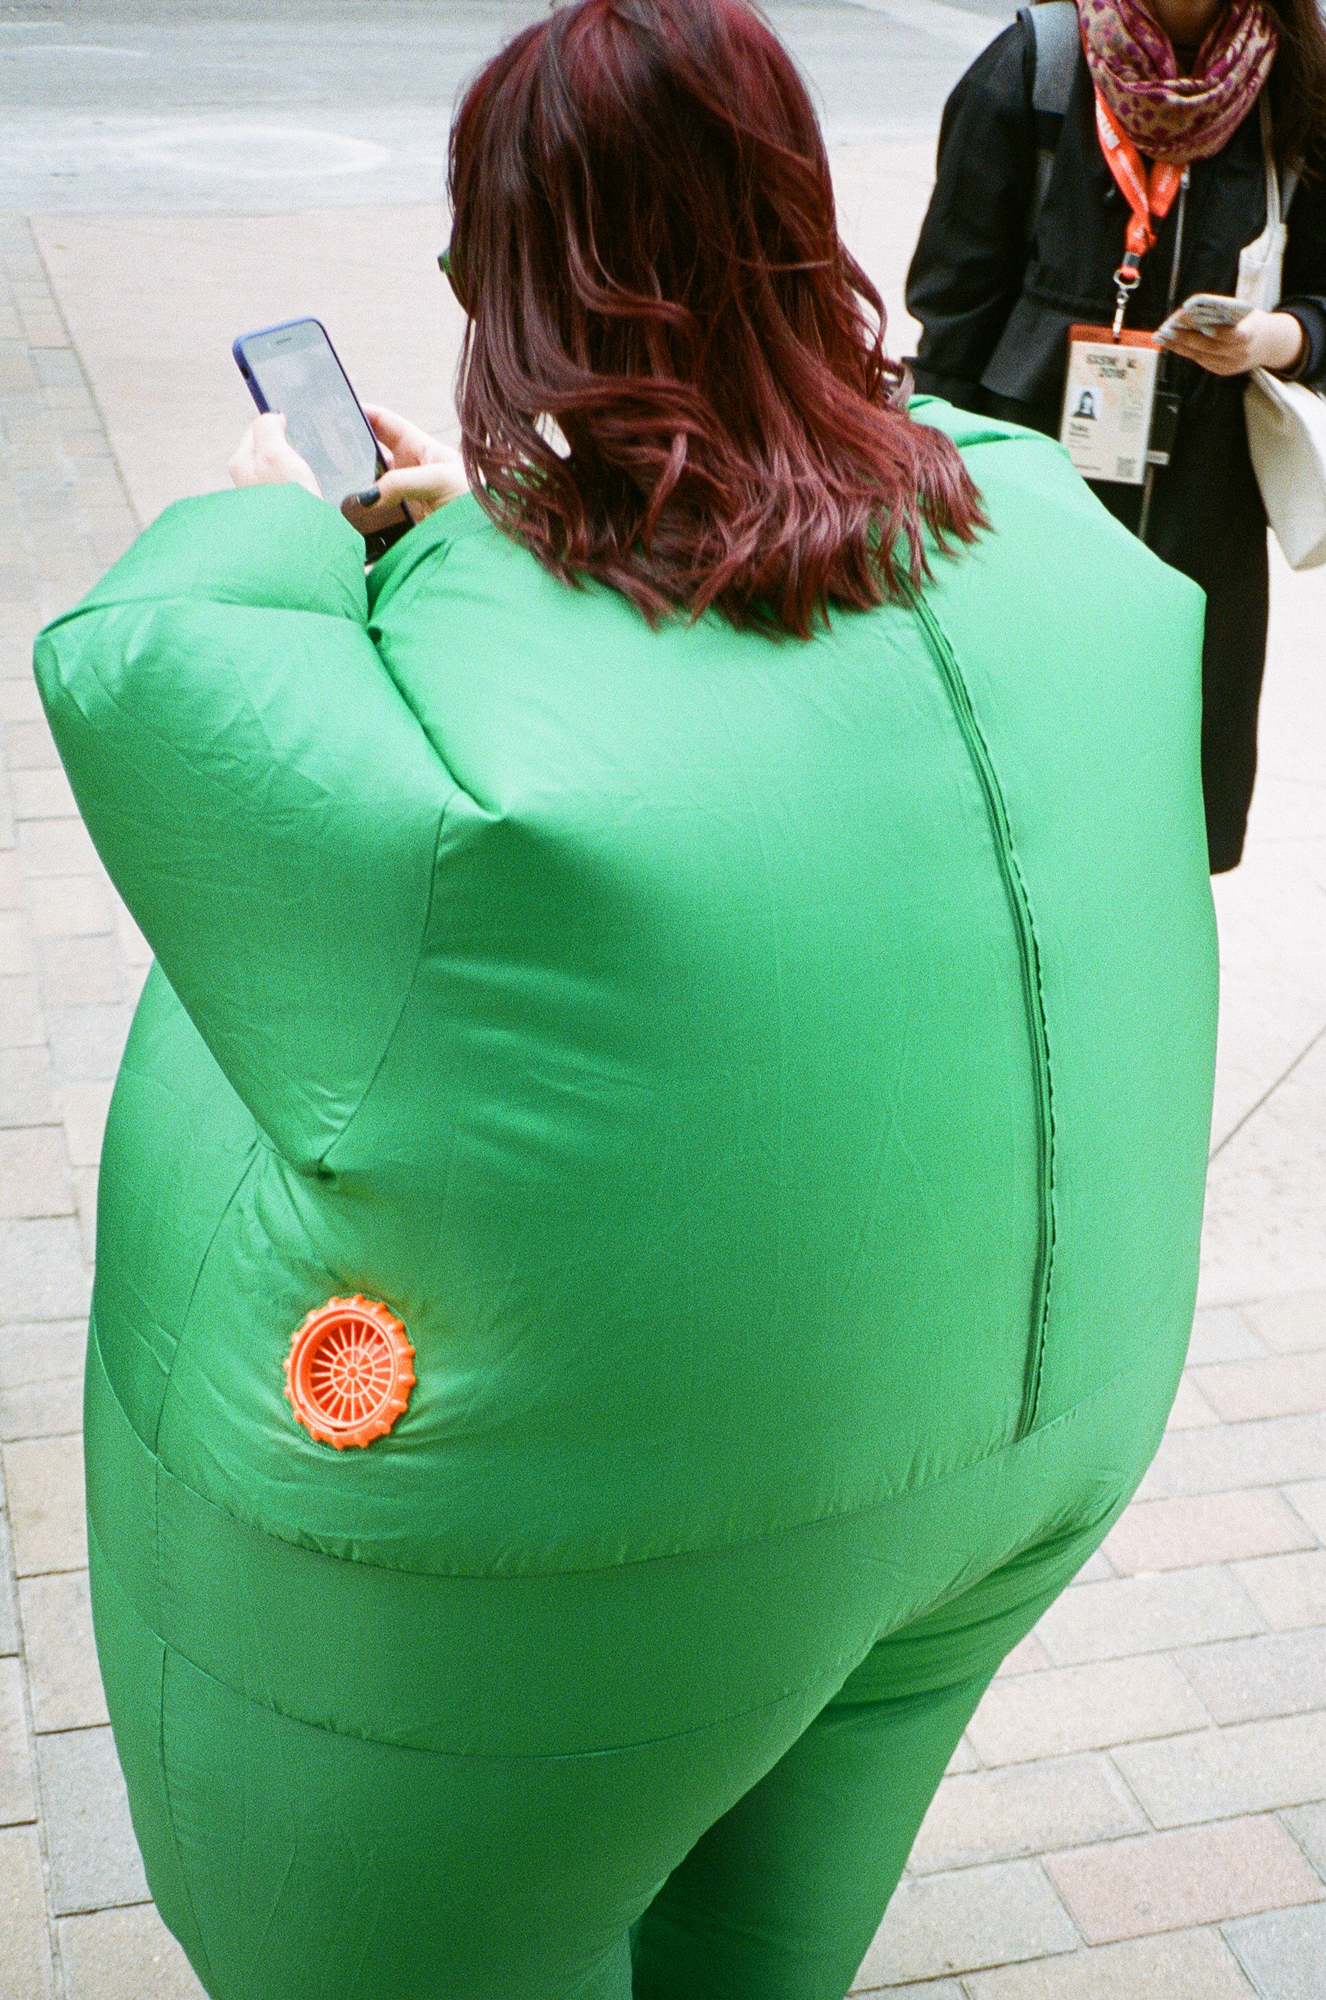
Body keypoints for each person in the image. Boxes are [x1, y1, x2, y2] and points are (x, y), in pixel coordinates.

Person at [35, 3, 1217, 1996]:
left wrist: (283, 512)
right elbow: (768, 580)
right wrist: (489, 523)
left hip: (621, 1518)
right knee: (768, 1924)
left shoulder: (467, 746)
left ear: (506, 288)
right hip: (1043, 1423)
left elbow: (146, 664)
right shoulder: (1055, 539)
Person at [906, 0, 1326, 874]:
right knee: (1017, 820)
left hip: (1203, 531)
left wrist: (1275, 339)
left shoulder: (1295, 85)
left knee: (1161, 837)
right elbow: (951, 318)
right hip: (1028, 520)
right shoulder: (1039, 64)